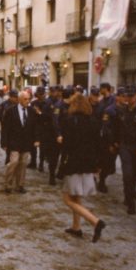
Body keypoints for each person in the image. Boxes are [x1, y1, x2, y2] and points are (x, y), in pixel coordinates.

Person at [60, 93, 106, 242]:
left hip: (74, 162)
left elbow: (66, 145)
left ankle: (95, 221)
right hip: (88, 163)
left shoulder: (69, 121)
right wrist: (98, 164)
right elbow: (99, 144)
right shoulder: (93, 121)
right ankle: (76, 227)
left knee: (67, 199)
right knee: (76, 196)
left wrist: (62, 164)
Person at [111, 85, 136, 215]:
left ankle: (129, 193)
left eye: (132, 95)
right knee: (127, 173)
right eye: (127, 96)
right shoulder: (121, 111)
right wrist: (114, 143)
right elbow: (116, 128)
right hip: (125, 146)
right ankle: (130, 202)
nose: (129, 98)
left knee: (134, 173)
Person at [1, 91, 39, 194]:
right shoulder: (10, 111)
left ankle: (20, 185)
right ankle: (8, 184)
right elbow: (5, 128)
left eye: (29, 99)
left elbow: (35, 126)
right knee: (13, 162)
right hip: (14, 141)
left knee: (23, 164)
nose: (28, 101)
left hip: (26, 142)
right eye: (25, 99)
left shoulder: (31, 111)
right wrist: (4, 143)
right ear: (19, 100)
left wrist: (36, 139)